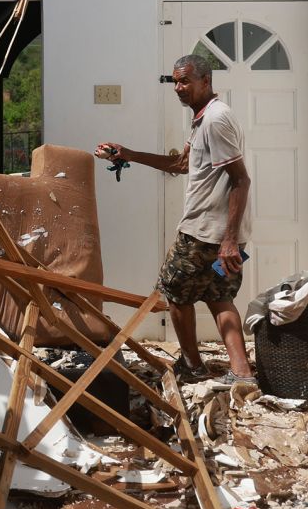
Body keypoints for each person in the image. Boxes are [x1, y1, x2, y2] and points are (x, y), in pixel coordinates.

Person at [96, 54, 255, 385]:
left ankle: (193, 366)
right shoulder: (202, 119)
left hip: (204, 235)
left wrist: (228, 241)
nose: (179, 88)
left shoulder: (215, 120)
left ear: (206, 82)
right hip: (219, 235)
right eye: (175, 82)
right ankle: (242, 373)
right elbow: (182, 165)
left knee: (175, 293)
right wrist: (129, 154)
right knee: (218, 295)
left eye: (185, 81)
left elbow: (241, 180)